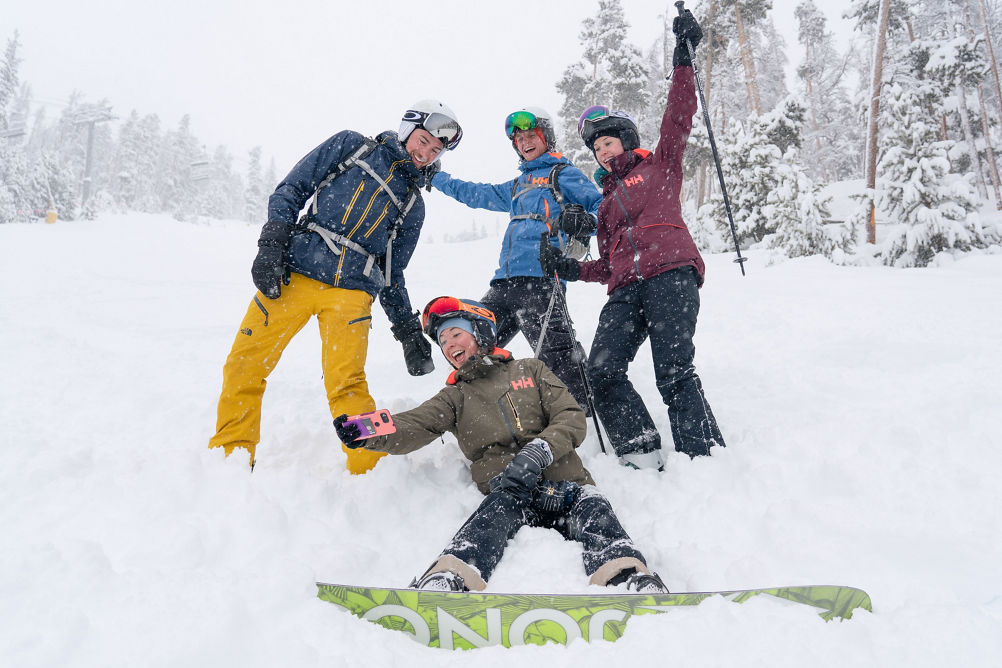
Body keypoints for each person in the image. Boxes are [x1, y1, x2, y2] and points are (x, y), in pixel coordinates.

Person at [333, 296, 668, 593]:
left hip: (568, 486)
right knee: (487, 519)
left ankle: (625, 576)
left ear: (479, 332)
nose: (448, 345)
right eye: (442, 341)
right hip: (510, 494)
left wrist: (539, 452)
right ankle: (448, 580)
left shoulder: (530, 370)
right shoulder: (455, 396)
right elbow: (413, 423)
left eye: (455, 334)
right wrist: (366, 430)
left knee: (596, 509)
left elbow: (570, 416)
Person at [208, 100, 463, 474]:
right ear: (408, 130)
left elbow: (392, 273)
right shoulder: (351, 147)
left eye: (434, 151)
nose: (424, 153)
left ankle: (371, 470)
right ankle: (230, 458)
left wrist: (408, 332)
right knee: (244, 365)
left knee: (348, 385)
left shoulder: (413, 204)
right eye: (422, 141)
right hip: (295, 274)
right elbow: (292, 188)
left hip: (352, 293)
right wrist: (271, 243)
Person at [539, 10, 725, 471]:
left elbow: (679, 117)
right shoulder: (604, 205)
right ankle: (640, 450)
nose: (602, 150)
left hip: (670, 276)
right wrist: (572, 270)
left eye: (608, 142)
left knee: (673, 371)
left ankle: (702, 458)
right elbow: (609, 264)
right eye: (595, 147)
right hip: (626, 290)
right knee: (601, 368)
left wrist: (684, 58)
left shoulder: (660, 167)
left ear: (625, 139)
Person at [428, 107, 601, 412]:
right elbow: (476, 194)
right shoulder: (518, 185)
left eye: (530, 135)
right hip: (503, 284)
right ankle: (479, 412)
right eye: (518, 139)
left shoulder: (563, 174)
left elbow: (603, 207)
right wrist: (437, 178)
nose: (524, 142)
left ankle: (582, 412)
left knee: (557, 353)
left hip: (542, 280)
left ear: (545, 137)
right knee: (477, 344)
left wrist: (586, 220)